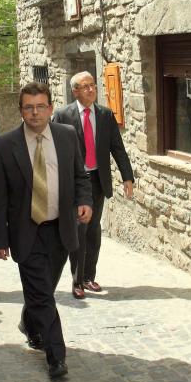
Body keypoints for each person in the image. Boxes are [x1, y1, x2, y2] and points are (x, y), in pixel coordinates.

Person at [0, 81, 92, 379]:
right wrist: (0, 238)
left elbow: (79, 175)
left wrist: (84, 201)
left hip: (60, 229)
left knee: (41, 291)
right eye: (28, 107)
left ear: (49, 108)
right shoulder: (3, 146)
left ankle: (28, 322)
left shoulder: (67, 136)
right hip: (26, 230)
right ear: (20, 110)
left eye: (40, 106)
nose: (35, 113)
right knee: (43, 296)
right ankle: (56, 356)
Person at [52, 72, 134, 299]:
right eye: (85, 86)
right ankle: (77, 280)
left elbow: (117, 148)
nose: (90, 90)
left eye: (93, 85)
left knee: (94, 230)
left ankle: (89, 276)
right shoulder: (62, 115)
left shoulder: (105, 115)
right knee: (80, 228)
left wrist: (127, 177)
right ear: (75, 91)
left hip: (97, 179)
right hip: (75, 181)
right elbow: (53, 150)